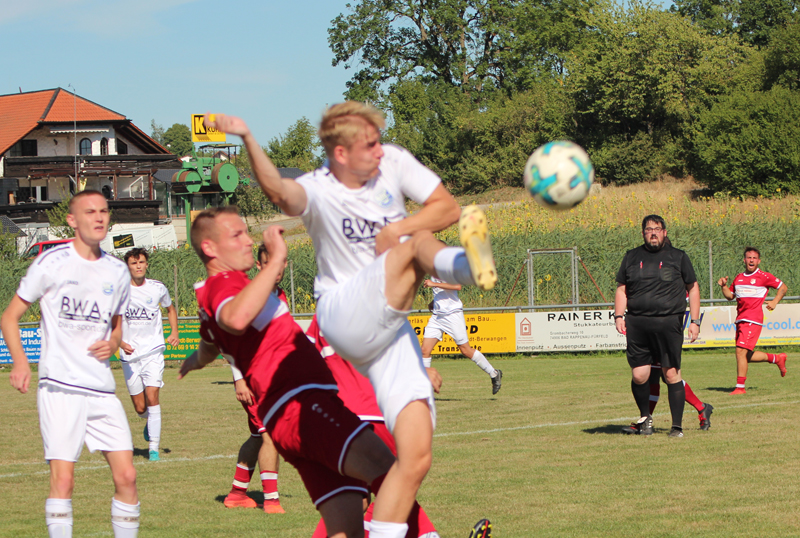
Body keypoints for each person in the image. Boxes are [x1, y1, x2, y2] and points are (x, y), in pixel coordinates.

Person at [205, 103, 495, 538]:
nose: (382, 150)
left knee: (414, 459)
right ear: (340, 153)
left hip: (392, 328)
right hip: (345, 312)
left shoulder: (392, 161)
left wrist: (399, 227)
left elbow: (448, 208)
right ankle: (467, 268)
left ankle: (469, 264)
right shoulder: (318, 187)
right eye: (371, 144)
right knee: (413, 245)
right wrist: (247, 137)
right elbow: (280, 194)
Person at [179, 209, 401, 538]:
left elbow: (210, 343)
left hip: (290, 413)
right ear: (210, 248)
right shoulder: (224, 284)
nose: (248, 241)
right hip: (301, 405)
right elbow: (237, 318)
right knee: (391, 470)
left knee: (347, 526)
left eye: (246, 232)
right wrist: (275, 260)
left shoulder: (217, 291)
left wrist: (195, 360)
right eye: (237, 235)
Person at [2, 190, 140, 537]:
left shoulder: (117, 271)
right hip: (60, 388)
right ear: (72, 220)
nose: (99, 217)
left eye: (104, 211)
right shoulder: (51, 263)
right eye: (90, 211)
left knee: (127, 476)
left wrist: (112, 342)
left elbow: (117, 321)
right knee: (64, 480)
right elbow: (10, 317)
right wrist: (20, 363)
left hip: (102, 390)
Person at [614, 215, 700, 438]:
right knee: (640, 375)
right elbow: (622, 289)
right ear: (643, 233)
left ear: (664, 232)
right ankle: (645, 420)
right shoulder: (631, 257)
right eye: (649, 229)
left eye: (657, 229)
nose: (653, 232)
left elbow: (693, 288)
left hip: (668, 323)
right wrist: (618, 316)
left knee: (671, 374)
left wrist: (695, 321)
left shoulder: (678, 257)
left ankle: (677, 427)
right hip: (637, 325)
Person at [221, 243, 285, 513]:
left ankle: (237, 494)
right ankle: (271, 501)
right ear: (258, 266)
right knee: (272, 435)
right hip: (251, 379)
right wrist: (239, 379)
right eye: (270, 263)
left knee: (258, 437)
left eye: (280, 263)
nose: (277, 269)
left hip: (272, 378)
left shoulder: (280, 295)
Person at [119, 247, 179, 462]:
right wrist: (120, 341)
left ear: (146, 264)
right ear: (128, 267)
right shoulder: (120, 290)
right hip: (130, 355)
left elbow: (170, 309)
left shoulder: (157, 288)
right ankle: (147, 421)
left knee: (153, 397)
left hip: (153, 351)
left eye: (142, 262)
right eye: (134, 263)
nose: (138, 266)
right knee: (140, 407)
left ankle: (153, 449)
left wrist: (174, 332)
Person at [717, 247, 788, 394]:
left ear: (758, 261)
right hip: (740, 319)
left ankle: (740, 388)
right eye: (749, 258)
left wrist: (775, 301)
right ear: (744, 260)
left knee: (740, 352)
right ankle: (777, 358)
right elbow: (730, 296)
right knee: (745, 355)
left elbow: (783, 287)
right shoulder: (739, 278)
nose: (751, 260)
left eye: (754, 258)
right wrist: (723, 286)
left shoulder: (764, 276)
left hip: (753, 319)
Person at [421, 277, 502, 395]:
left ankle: (494, 373)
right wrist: (434, 302)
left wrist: (433, 284)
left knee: (466, 350)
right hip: (437, 316)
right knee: (424, 351)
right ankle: (425, 389)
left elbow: (457, 286)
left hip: (453, 315)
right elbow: (440, 290)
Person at [622, 361, 713, 433]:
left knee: (667, 376)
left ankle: (645, 421)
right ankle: (701, 407)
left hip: (662, 340)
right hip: (652, 339)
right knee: (659, 375)